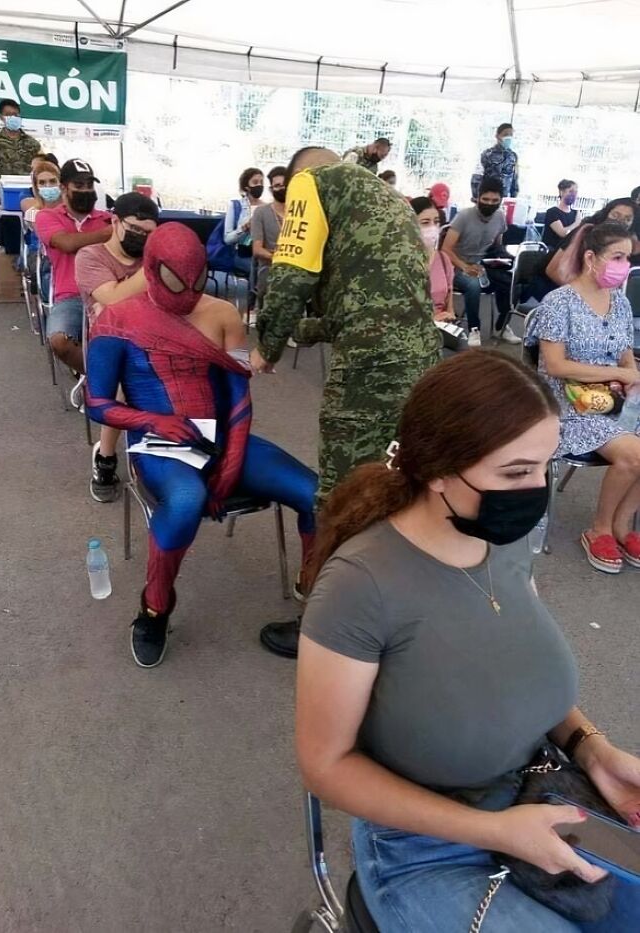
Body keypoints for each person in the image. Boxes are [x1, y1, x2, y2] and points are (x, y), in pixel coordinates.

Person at [297, 350, 640, 933]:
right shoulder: (361, 586)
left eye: (545, 467)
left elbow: (516, 667)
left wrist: (590, 747)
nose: (537, 491)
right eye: (515, 473)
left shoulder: (501, 540)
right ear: (437, 470)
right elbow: (325, 765)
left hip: (542, 798)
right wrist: (494, 831)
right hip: (424, 853)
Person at [85, 223, 318, 668]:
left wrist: (231, 461)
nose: (187, 294)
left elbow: (237, 394)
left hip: (222, 436)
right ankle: (154, 608)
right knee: (188, 497)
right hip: (159, 444)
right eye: (177, 283)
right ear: (151, 271)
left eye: (195, 283)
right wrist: (154, 420)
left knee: (318, 494)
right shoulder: (117, 319)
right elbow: (97, 403)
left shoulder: (221, 313)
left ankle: (316, 599)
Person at [250, 147, 440, 658]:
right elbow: (366, 300)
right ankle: (400, 604)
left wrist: (265, 346)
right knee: (398, 478)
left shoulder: (313, 185)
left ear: (296, 179)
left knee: (339, 493)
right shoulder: (390, 200)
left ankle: (323, 623)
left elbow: (290, 277)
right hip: (420, 361)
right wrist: (302, 331)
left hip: (370, 368)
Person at [527, 221, 640, 574]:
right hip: (568, 405)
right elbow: (556, 366)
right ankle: (600, 529)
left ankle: (623, 524)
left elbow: (624, 356)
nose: (624, 265)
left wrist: (629, 377)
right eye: (617, 257)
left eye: (628, 257)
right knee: (634, 455)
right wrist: (618, 375)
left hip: (612, 399)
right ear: (591, 257)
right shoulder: (559, 303)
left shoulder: (619, 302)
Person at [75, 191, 159, 503]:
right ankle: (106, 457)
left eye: (150, 234)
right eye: (136, 230)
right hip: (108, 343)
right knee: (126, 383)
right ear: (114, 221)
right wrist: (152, 268)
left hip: (152, 335)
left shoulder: (147, 256)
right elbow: (111, 300)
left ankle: (165, 458)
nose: (142, 239)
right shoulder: (91, 256)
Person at [34, 159, 111, 372]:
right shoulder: (47, 217)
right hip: (71, 296)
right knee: (59, 340)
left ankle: (109, 381)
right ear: (63, 187)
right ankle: (99, 379)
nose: (85, 191)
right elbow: (66, 243)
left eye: (89, 186)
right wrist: (107, 235)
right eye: (79, 186)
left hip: (108, 292)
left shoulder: (107, 218)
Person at [441, 176, 520, 347]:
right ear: (477, 197)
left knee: (510, 281)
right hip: (457, 265)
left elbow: (498, 246)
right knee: (473, 284)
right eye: (485, 199)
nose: (490, 203)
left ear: (500, 201)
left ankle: (503, 324)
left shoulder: (500, 217)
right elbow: (445, 249)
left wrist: (500, 262)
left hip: (484, 265)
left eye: (494, 200)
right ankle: (474, 328)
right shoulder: (464, 216)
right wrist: (465, 266)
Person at [0, 98, 41, 254]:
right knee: (10, 241)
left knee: (33, 239)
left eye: (15, 114)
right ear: (1, 117)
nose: (13, 117)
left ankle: (30, 269)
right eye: (8, 114)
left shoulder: (33, 143)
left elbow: (41, 170)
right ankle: (11, 270)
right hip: (7, 198)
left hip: (30, 197)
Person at [411, 196, 466, 354]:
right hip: (414, 332)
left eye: (436, 222)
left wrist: (449, 316)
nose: (433, 227)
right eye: (425, 223)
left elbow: (449, 303)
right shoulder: (402, 263)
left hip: (442, 329)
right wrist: (431, 321)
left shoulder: (443, 260)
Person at [20, 160, 62, 301]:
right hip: (46, 257)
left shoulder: (72, 209)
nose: (48, 186)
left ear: (60, 183)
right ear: (36, 187)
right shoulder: (33, 213)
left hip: (71, 257)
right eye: (42, 183)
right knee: (49, 275)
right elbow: (50, 241)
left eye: (52, 181)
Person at [251, 165, 286, 307]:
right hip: (270, 268)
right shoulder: (261, 212)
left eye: (285, 185)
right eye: (277, 185)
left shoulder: (299, 212)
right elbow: (257, 250)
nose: (282, 188)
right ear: (271, 189)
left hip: (296, 270)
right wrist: (280, 259)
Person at [223, 167, 265, 278]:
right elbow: (227, 239)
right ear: (246, 186)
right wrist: (244, 228)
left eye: (261, 182)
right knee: (257, 270)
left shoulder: (267, 207)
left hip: (262, 253)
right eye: (255, 182)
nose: (259, 186)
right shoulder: (235, 206)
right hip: (242, 254)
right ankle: (253, 295)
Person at [479, 122, 519, 199]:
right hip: (488, 198)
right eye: (505, 134)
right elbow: (479, 177)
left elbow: (514, 180)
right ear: (497, 136)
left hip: (504, 198)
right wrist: (477, 197)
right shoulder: (487, 154)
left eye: (511, 135)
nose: (509, 137)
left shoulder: (513, 156)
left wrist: (513, 198)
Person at [543, 179, 582, 250]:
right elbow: (563, 233)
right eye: (570, 191)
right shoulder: (552, 212)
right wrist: (577, 223)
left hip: (569, 251)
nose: (573, 195)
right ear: (562, 192)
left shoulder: (576, 213)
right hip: (553, 251)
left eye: (575, 192)